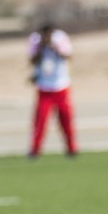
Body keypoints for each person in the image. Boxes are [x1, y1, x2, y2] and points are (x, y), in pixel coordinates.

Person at [28, 23, 78, 158]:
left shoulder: (60, 38)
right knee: (40, 121)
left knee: (66, 119)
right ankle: (35, 150)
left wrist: (54, 46)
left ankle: (72, 148)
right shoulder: (35, 40)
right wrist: (41, 47)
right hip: (44, 87)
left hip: (61, 86)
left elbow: (67, 56)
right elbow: (32, 60)